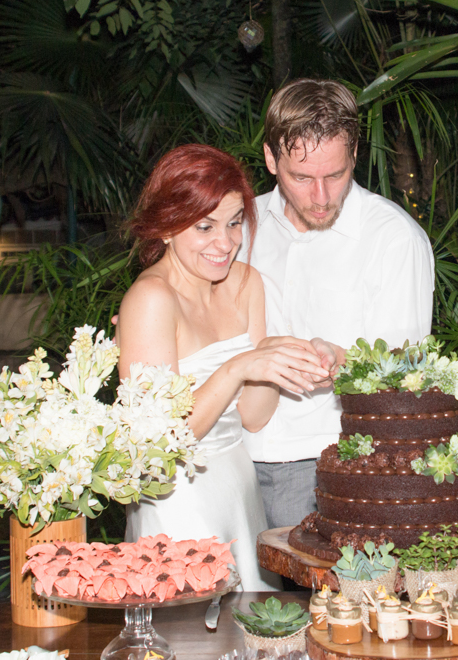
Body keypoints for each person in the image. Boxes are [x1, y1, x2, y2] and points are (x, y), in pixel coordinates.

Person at [118, 144, 344, 591]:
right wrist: (238, 367)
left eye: (235, 222)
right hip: (178, 499)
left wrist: (285, 356)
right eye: (205, 227)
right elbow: (159, 445)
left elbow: (253, 416)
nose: (225, 243)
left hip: (238, 488)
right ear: (166, 227)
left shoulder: (245, 283)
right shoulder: (150, 301)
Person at [238, 78, 436, 529]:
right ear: (271, 159)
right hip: (229, 464)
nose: (321, 197)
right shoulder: (238, 228)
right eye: (301, 178)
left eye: (336, 174)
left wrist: (344, 362)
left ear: (354, 156)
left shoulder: (393, 239)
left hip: (332, 469)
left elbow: (407, 379)